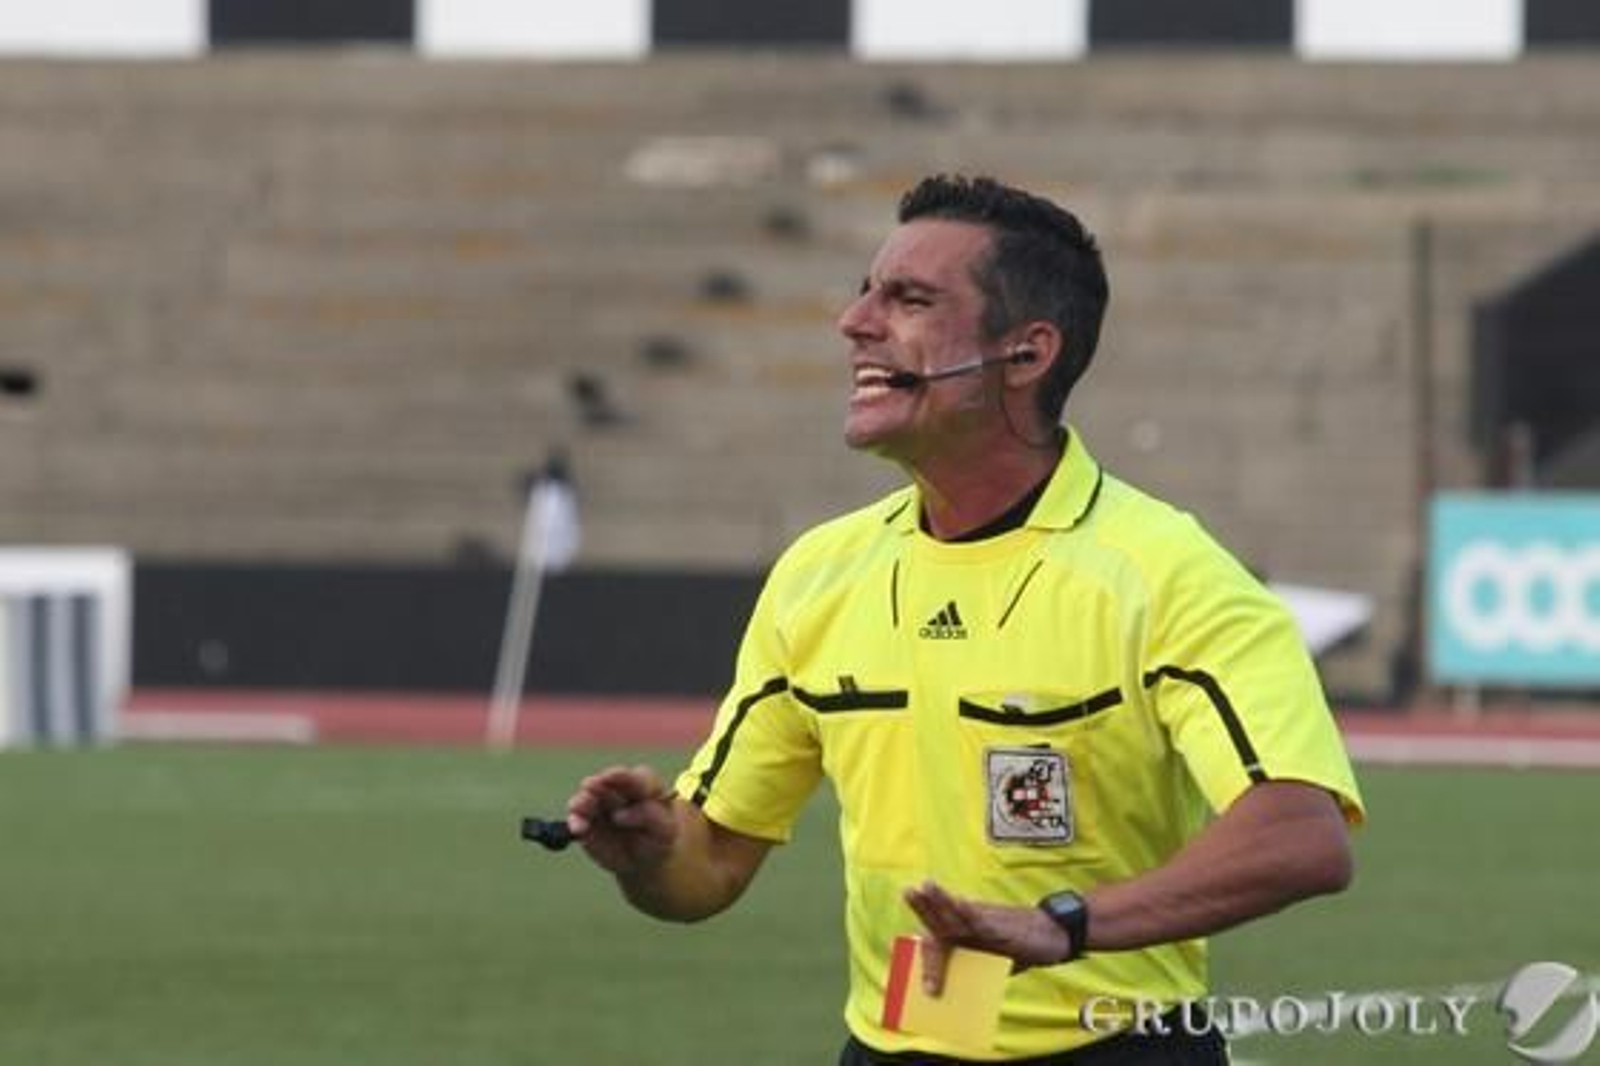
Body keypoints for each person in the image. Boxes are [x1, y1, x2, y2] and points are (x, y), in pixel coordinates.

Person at [564, 174, 1364, 1064]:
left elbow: (1301, 835)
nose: (855, 321)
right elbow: (708, 868)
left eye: (908, 299)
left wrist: (1064, 925)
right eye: (866, 290)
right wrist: (648, 855)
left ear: (1025, 355)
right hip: (891, 1048)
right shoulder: (819, 576)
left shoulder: (1166, 574)